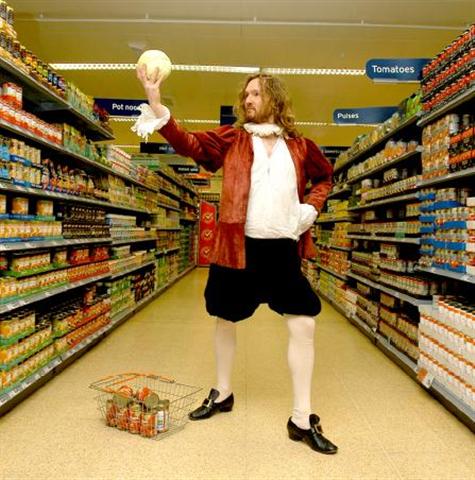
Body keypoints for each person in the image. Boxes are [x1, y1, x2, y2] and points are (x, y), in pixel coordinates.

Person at [133, 66, 337, 455]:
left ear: (275, 98)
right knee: (225, 317)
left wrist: (310, 209)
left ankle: (301, 417)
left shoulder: (301, 146)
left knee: (304, 323)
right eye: (246, 95)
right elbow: (191, 144)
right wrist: (157, 105)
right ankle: (223, 392)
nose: (248, 99)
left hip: (281, 248)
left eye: (256, 93)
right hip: (236, 246)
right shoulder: (233, 138)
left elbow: (325, 178)